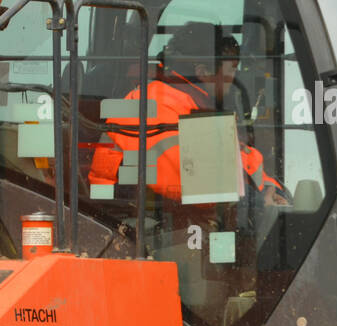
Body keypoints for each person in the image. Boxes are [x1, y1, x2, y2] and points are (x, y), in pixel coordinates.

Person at [88, 20, 285, 204]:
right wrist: (256, 202)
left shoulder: (193, 103)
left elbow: (237, 158)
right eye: (232, 69)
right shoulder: (153, 105)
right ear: (203, 72)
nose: (235, 79)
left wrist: (269, 189)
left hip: (171, 214)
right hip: (127, 216)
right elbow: (189, 181)